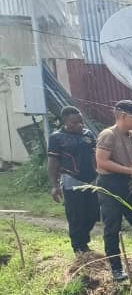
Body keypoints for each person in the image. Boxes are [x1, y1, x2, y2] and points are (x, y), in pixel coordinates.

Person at [95, 99, 132, 283]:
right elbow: (102, 162)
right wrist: (130, 170)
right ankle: (116, 268)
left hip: (130, 185)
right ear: (123, 116)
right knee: (112, 227)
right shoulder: (108, 135)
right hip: (110, 184)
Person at [46, 106, 100, 255]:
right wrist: (55, 186)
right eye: (74, 123)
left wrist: (99, 175)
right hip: (71, 180)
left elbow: (95, 156)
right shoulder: (56, 137)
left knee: (92, 214)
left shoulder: (88, 134)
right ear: (65, 122)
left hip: (91, 180)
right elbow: (52, 163)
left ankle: (84, 243)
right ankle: (79, 247)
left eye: (80, 121)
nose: (79, 125)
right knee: (76, 215)